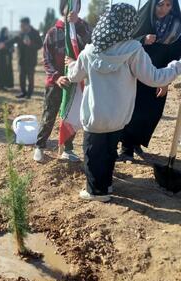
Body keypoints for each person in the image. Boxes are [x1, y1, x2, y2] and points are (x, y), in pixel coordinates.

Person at [66, 3, 181, 202]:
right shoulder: (134, 49)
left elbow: (74, 76)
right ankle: (106, 185)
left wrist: (71, 66)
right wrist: (176, 66)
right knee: (110, 153)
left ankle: (96, 192)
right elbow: (154, 77)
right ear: (130, 24)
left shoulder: (89, 51)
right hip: (119, 117)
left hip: (95, 116)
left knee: (93, 156)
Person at [120, 0, 181, 161]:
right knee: (133, 111)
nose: (164, 9)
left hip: (160, 76)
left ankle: (136, 143)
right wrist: (142, 39)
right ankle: (126, 149)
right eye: (161, 5)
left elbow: (175, 56)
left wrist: (166, 81)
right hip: (137, 75)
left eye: (168, 5)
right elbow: (125, 41)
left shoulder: (177, 27)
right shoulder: (142, 19)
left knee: (152, 113)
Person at [33, 0, 91, 163]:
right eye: (69, 4)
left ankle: (68, 148)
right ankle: (40, 145)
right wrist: (57, 77)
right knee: (49, 114)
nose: (72, 9)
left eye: (76, 5)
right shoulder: (53, 32)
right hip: (55, 83)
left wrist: (77, 25)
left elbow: (90, 46)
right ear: (62, 8)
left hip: (76, 81)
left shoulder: (83, 28)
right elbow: (47, 59)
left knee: (71, 114)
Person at [0, 17, 43, 99]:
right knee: (21, 78)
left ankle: (29, 95)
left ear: (27, 25)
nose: (21, 27)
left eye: (22, 25)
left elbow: (40, 45)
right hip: (21, 60)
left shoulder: (35, 33)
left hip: (31, 60)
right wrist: (4, 44)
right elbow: (13, 40)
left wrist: (31, 44)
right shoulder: (20, 34)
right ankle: (23, 92)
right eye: (21, 26)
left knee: (30, 78)